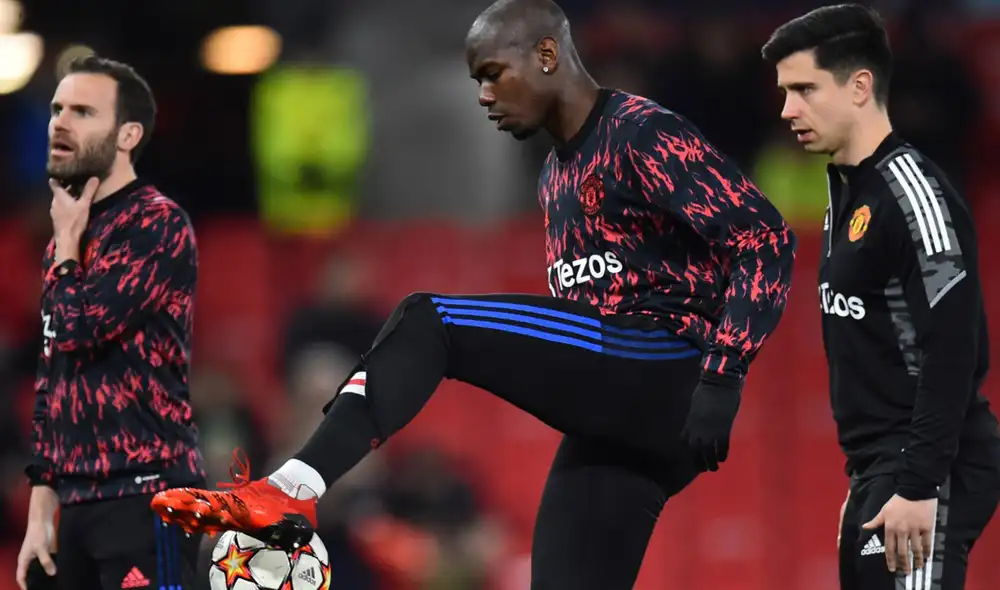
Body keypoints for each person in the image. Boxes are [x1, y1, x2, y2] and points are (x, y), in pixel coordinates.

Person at [152, 0, 796, 587]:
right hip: (622, 416)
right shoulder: (554, 174)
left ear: (546, 56)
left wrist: (722, 375)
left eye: (493, 73)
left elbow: (767, 238)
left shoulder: (640, 133)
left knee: (429, 319)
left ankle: (290, 487)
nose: (485, 95)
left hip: (668, 367)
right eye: (476, 81)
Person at [761, 5, 1000, 590]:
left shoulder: (914, 195)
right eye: (785, 92)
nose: (787, 109)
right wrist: (869, 480)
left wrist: (917, 483)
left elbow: (953, 349)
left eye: (804, 89)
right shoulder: (847, 190)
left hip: (927, 470)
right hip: (882, 470)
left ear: (860, 86)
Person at [15, 55, 206, 590]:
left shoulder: (158, 223)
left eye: (82, 111)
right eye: (57, 109)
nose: (60, 122)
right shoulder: (67, 236)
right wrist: (39, 514)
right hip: (77, 506)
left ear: (127, 134)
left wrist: (68, 249)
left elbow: (83, 326)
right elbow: (53, 375)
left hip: (147, 495)